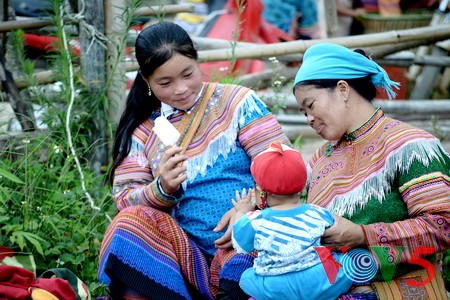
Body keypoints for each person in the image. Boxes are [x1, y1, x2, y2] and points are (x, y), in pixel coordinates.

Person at [97, 21, 290, 300]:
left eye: (188, 74)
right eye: (165, 83)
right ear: (146, 80)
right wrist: (161, 188)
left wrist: (249, 208)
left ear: (197, 60)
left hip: (247, 244)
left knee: (242, 268)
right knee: (129, 222)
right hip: (187, 259)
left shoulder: (237, 103)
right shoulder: (144, 130)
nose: (180, 89)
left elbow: (282, 164)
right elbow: (125, 198)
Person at [293, 43, 450, 298]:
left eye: (310, 105)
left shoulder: (410, 147)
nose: (308, 118)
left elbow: (443, 227)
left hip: (402, 290)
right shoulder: (321, 158)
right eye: (303, 112)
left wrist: (363, 235)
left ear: (342, 89)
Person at [231, 141, 377, 300]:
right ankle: (359, 289)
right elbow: (336, 233)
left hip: (276, 289)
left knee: (246, 277)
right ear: (302, 187)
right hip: (320, 283)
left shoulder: (255, 220)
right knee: (356, 258)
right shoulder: (317, 211)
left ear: (260, 192)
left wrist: (242, 211)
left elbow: (240, 245)